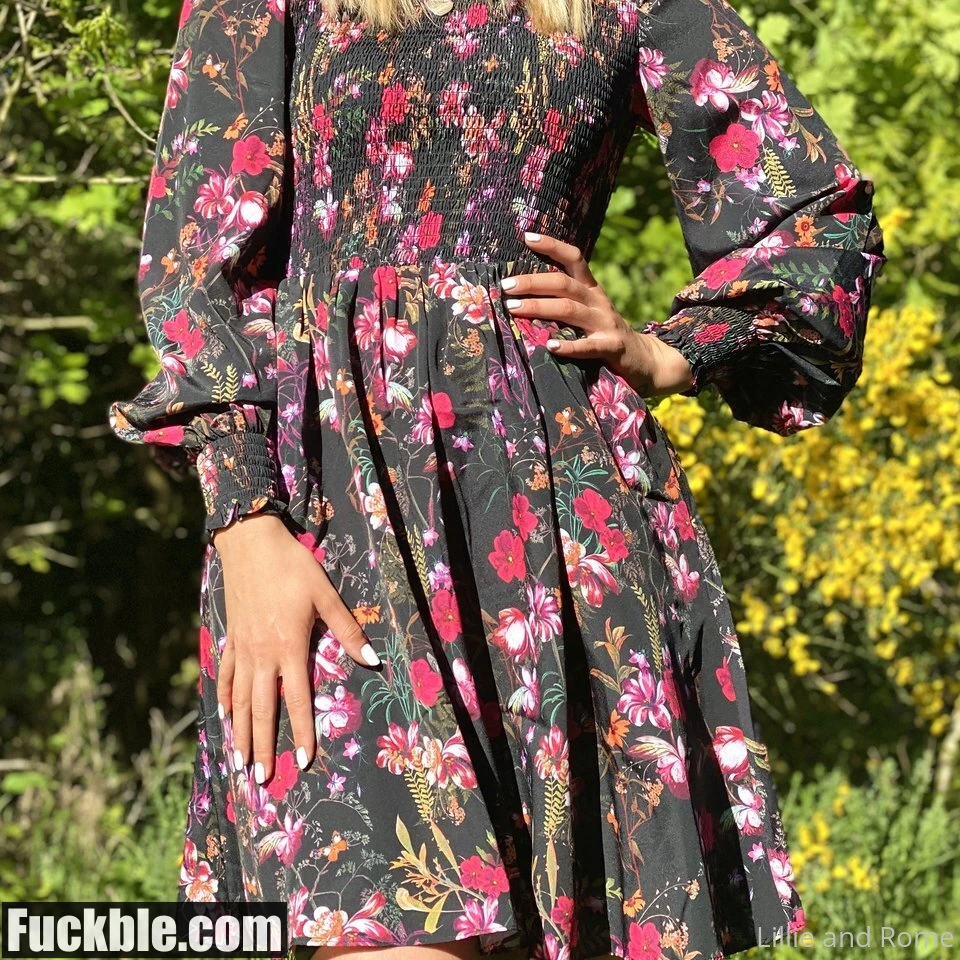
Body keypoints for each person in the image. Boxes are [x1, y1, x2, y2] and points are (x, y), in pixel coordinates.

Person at [107, 0, 886, 957]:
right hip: (324, 518)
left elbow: (815, 217)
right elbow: (195, 262)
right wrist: (245, 520)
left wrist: (674, 348)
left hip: (553, 529)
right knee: (384, 920)